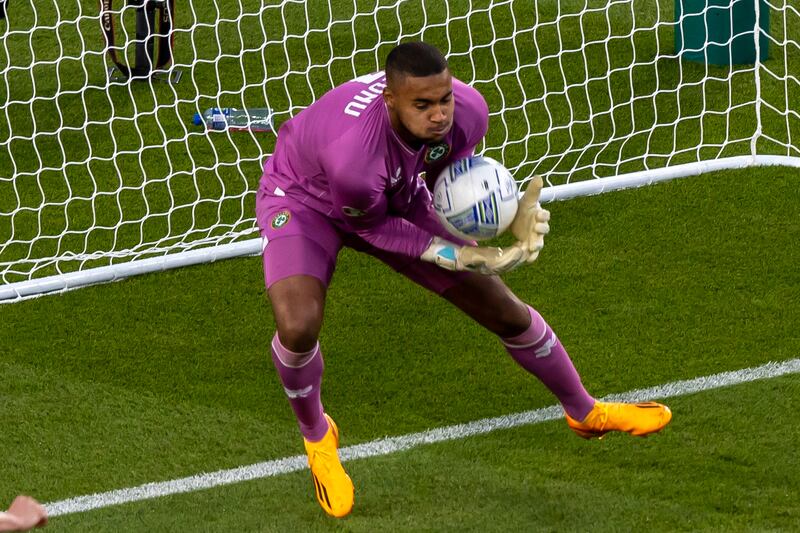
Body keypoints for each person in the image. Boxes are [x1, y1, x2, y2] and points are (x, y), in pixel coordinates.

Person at [255, 41, 672, 518]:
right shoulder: (354, 156)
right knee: (298, 324)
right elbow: (368, 225)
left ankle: (584, 411)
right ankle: (318, 439)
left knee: (502, 308)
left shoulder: (469, 112)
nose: (439, 115)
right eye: (423, 105)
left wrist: (506, 216)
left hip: (396, 193)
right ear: (390, 100)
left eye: (444, 99)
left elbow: (453, 178)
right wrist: (455, 253)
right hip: (305, 200)